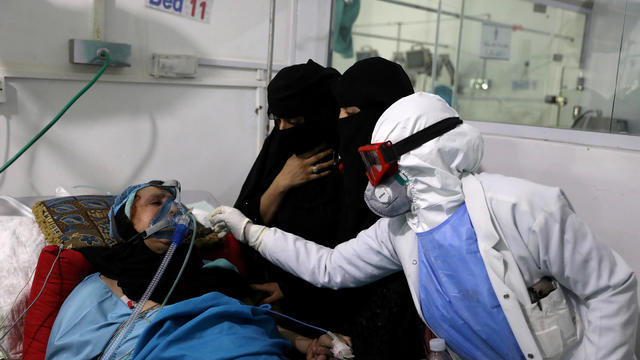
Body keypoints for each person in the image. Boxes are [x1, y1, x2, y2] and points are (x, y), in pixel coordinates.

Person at [210, 92, 639, 360]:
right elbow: (331, 268)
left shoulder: (524, 207)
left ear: (424, 155)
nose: (374, 179)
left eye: (378, 162)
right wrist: (250, 230)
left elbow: (612, 288)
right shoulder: (403, 230)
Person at [45, 180, 348, 360]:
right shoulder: (100, 286)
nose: (173, 208)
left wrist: (306, 343)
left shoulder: (216, 273)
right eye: (157, 202)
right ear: (129, 224)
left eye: (174, 201)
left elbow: (245, 323)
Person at [233, 59, 348, 338]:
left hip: (327, 300)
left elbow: (348, 246)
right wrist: (282, 182)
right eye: (277, 119)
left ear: (318, 114)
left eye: (293, 121)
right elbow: (245, 219)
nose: (282, 129)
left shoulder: (347, 156)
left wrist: (291, 287)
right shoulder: (280, 145)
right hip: (271, 296)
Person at [331, 57, 425, 359]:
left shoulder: (413, 195)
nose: (342, 121)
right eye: (340, 112)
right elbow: (334, 265)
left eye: (352, 113)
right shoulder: (349, 176)